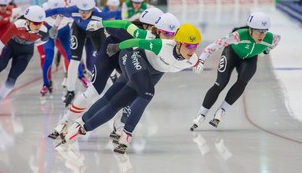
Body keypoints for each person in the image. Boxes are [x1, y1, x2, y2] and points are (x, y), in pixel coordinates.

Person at [59, 24, 201, 154]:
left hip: (146, 72)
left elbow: (198, 60)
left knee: (116, 103)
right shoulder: (162, 45)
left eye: (195, 46)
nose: (192, 50)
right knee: (147, 91)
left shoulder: (193, 59)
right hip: (135, 57)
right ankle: (127, 133)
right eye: (189, 46)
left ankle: (81, 129)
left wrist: (199, 63)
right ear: (178, 43)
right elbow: (136, 42)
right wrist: (117, 47)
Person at [48, 8, 166, 139]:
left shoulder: (157, 37)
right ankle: (65, 121)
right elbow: (115, 26)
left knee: (133, 90)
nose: (160, 33)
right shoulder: (134, 30)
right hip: (110, 52)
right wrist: (101, 25)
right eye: (157, 29)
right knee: (94, 90)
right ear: (146, 25)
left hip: (128, 58)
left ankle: (119, 124)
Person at [190, 12, 281, 131]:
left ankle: (222, 110)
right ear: (250, 29)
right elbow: (212, 46)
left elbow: (277, 40)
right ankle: (201, 114)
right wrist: (200, 61)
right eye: (258, 31)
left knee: (242, 82)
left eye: (264, 31)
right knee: (221, 83)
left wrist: (266, 51)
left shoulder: (271, 38)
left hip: (249, 59)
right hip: (231, 54)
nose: (261, 35)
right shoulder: (237, 36)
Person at [45, 0, 118, 107]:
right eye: (81, 10)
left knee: (104, 57)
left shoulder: (100, 14)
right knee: (74, 60)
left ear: (93, 8)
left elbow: (117, 16)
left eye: (86, 11)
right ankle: (70, 91)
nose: (83, 14)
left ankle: (114, 76)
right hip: (79, 30)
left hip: (95, 32)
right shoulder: (72, 10)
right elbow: (56, 11)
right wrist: (35, 16)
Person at [38, 0, 72, 96]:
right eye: (53, 11)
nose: (54, 14)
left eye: (58, 12)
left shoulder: (67, 13)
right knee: (46, 57)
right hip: (47, 34)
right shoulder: (44, 12)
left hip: (61, 34)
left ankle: (67, 78)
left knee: (68, 56)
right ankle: (47, 82)